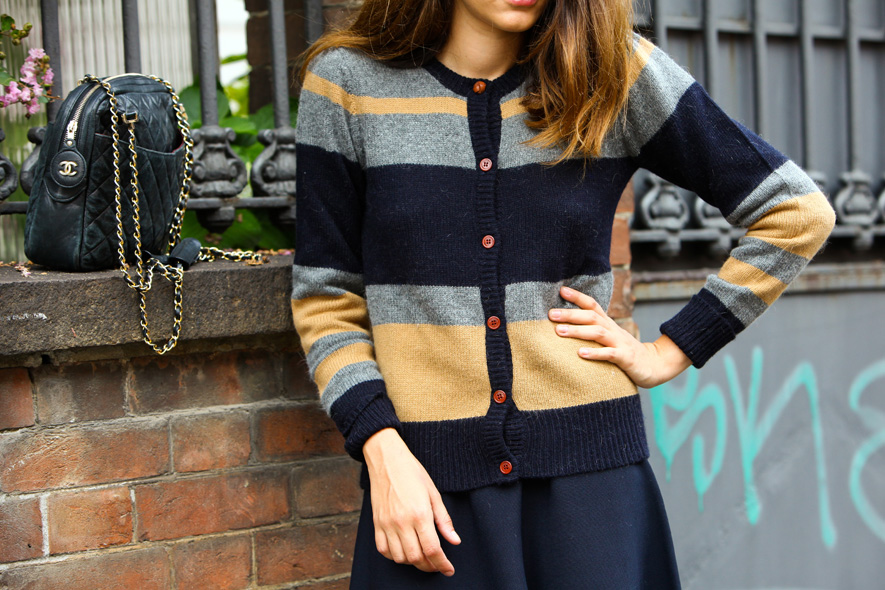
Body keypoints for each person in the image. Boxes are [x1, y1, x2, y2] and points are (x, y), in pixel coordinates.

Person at [289, 0, 836, 587]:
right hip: (425, 494)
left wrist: (669, 351)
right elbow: (327, 297)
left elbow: (795, 211)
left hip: (592, 493)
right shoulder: (348, 83)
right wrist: (380, 446)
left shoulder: (612, 73)